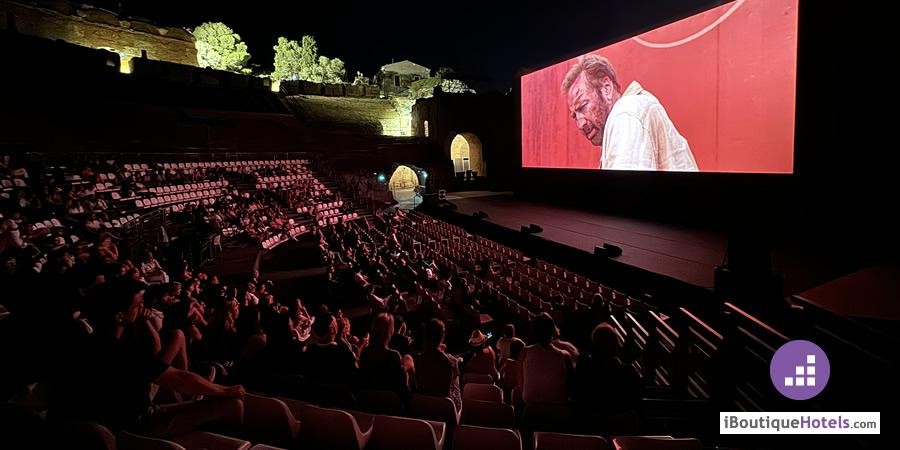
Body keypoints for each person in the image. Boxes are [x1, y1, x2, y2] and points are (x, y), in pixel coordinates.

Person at [562, 54, 698, 171]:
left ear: (606, 88)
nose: (580, 124)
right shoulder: (629, 113)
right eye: (574, 116)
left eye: (583, 106)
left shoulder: (625, 114)